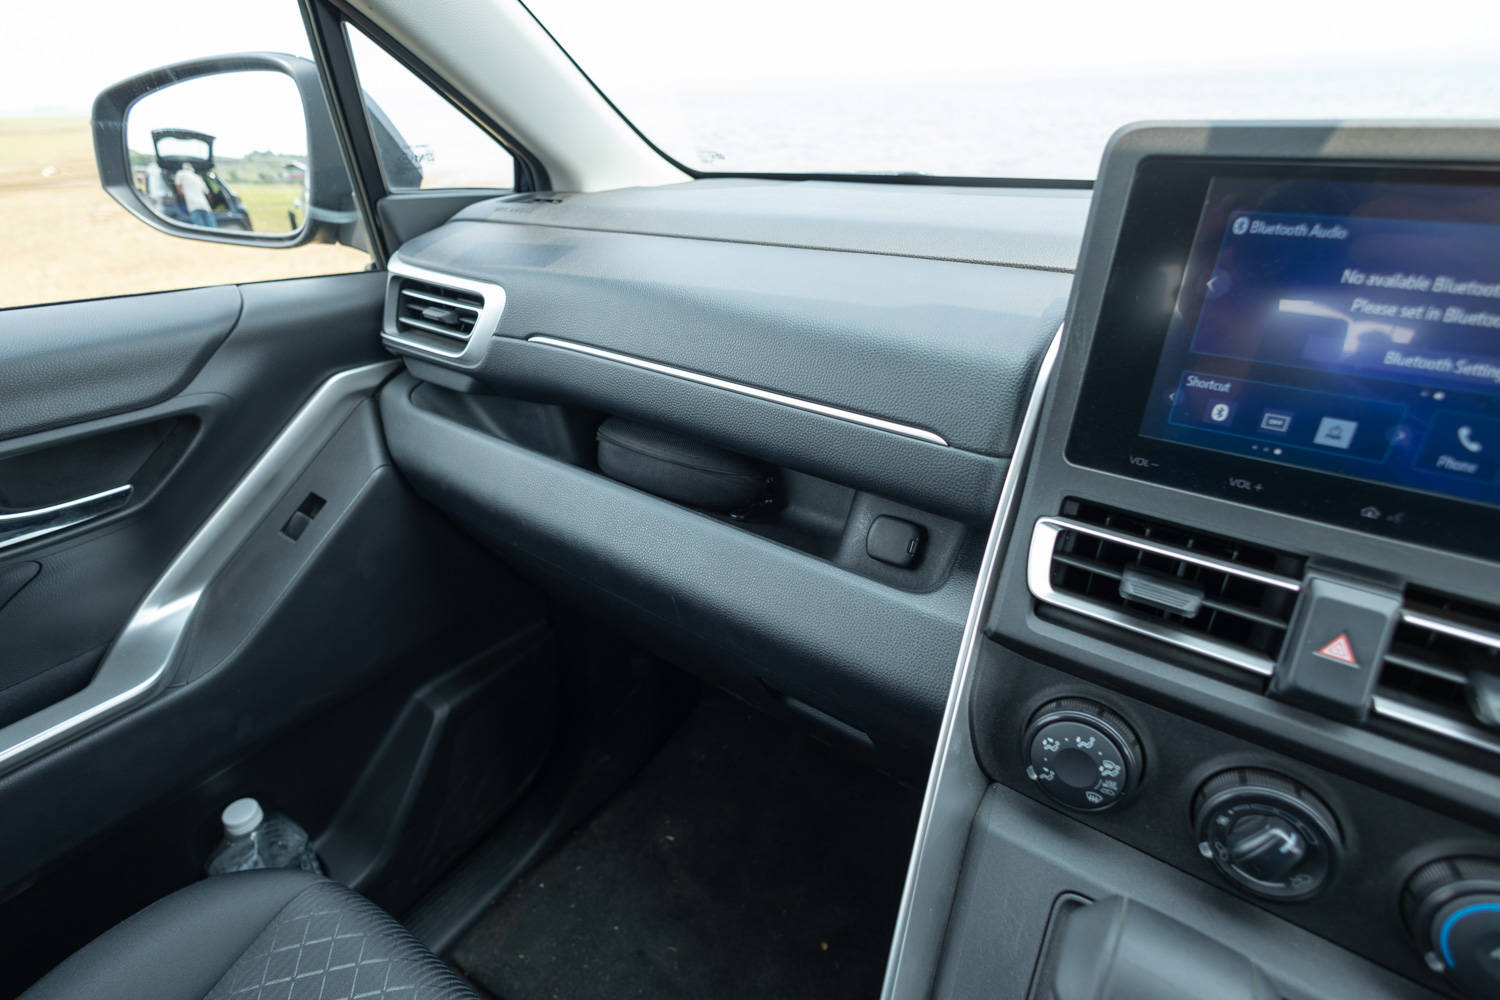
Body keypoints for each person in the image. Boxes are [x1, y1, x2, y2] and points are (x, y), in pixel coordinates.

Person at [174, 163, 217, 228]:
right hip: (205, 205)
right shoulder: (197, 177)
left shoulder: (180, 174)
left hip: (193, 206)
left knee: (200, 230)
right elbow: (208, 194)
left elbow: (179, 190)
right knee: (213, 228)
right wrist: (212, 205)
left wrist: (182, 200)